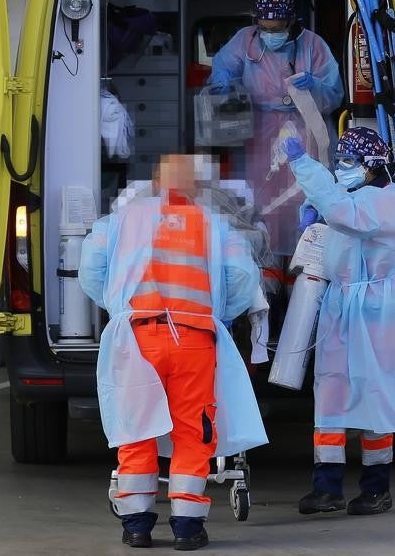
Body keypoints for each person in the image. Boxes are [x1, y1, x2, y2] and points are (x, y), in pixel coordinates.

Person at [79, 154, 266, 551]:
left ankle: (136, 526)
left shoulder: (121, 220)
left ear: (154, 182)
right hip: (195, 338)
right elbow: (243, 280)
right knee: (193, 431)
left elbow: (90, 271)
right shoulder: (215, 224)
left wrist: (120, 308)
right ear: (197, 187)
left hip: (136, 337)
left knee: (135, 428)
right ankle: (187, 527)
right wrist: (217, 316)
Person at [281, 128, 395, 517]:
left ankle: (376, 489)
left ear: (371, 167)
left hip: (379, 310)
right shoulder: (362, 196)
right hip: (346, 304)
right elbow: (340, 221)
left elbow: (346, 216)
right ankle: (327, 487)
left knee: (375, 397)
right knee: (331, 393)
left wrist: (304, 166)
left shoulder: (384, 202)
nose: (341, 168)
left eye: (347, 162)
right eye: (339, 161)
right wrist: (317, 229)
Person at [206, 0, 344, 257]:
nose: (270, 34)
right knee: (257, 197)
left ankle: (303, 262)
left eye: (276, 27)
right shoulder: (245, 40)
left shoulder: (313, 45)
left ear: (291, 20)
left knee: (303, 195)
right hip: (257, 134)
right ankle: (264, 265)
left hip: (306, 132)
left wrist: (314, 85)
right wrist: (221, 84)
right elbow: (223, 67)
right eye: (264, 28)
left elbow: (334, 94)